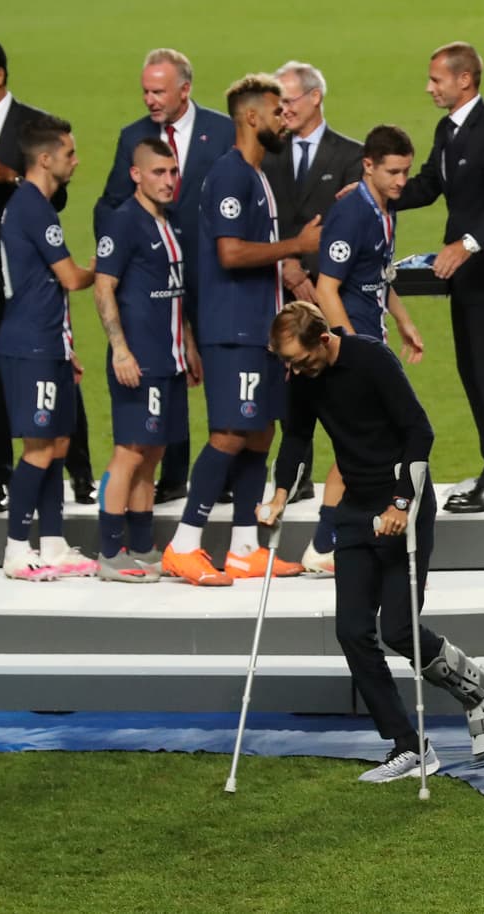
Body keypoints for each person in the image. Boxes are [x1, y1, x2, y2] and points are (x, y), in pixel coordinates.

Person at [262, 301, 484, 781]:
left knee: (398, 629)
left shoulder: (371, 359)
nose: (293, 370)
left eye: (298, 359)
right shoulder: (302, 379)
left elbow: (419, 431)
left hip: (405, 503)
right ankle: (408, 744)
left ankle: (481, 692)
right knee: (352, 630)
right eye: (287, 363)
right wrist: (278, 497)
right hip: (356, 509)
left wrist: (401, 504)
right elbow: (295, 439)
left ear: (322, 340)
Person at [160, 73, 316, 586]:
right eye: (276, 111)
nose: (283, 119)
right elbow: (230, 253)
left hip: (259, 331)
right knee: (230, 433)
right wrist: (294, 246)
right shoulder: (231, 175)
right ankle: (184, 544)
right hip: (234, 329)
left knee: (258, 433)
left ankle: (245, 546)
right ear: (251, 116)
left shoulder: (255, 175)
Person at [0, 37, 95, 512]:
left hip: (28, 275)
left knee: (57, 380)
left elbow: (55, 196)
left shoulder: (35, 128)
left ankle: (78, 473)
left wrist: (13, 178)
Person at [93, 48, 235, 505]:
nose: (150, 99)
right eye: (146, 91)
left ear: (184, 90)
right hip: (154, 276)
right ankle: (170, 481)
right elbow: (111, 202)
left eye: (158, 91)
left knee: (208, 372)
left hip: (211, 274)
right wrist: (121, 253)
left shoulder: (221, 131)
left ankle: (220, 472)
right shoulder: (132, 136)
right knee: (155, 379)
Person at [285, 124, 424, 574]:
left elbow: (380, 276)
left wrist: (403, 323)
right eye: (393, 172)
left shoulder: (385, 208)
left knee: (362, 447)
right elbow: (327, 288)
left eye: (406, 171)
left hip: (370, 342)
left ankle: (330, 542)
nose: (402, 180)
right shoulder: (352, 214)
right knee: (355, 447)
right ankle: (324, 544)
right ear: (368, 166)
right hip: (354, 347)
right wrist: (351, 347)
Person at [396, 41, 484, 514]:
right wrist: (383, 192)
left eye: (437, 79)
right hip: (469, 280)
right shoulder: (450, 129)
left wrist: (466, 244)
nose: (430, 87)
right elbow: (431, 184)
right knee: (473, 374)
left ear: (464, 80)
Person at [0, 114, 98, 580]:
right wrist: (108, 262)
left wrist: (66, 345)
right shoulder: (33, 207)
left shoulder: (33, 205)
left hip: (48, 343)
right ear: (45, 158)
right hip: (30, 345)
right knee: (39, 449)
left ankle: (53, 544)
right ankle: (17, 549)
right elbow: (72, 278)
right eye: (70, 154)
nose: (75, 161)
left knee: (57, 444)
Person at [93, 138, 199, 581]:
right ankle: (108, 552)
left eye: (172, 172)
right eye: (158, 172)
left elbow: (175, 295)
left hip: (170, 358)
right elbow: (103, 287)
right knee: (129, 452)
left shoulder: (169, 223)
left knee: (153, 453)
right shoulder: (123, 223)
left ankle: (140, 544)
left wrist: (189, 346)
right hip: (139, 359)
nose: (169, 180)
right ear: (136, 175)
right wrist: (120, 349)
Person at [262, 60, 363, 508]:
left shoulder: (349, 156)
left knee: (336, 383)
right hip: (279, 284)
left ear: (315, 97)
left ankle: (346, 474)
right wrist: (289, 263)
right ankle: (294, 475)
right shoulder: (267, 156)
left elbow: (349, 227)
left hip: (330, 289)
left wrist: (313, 273)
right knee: (287, 383)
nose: (281, 110)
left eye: (288, 101)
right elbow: (262, 219)